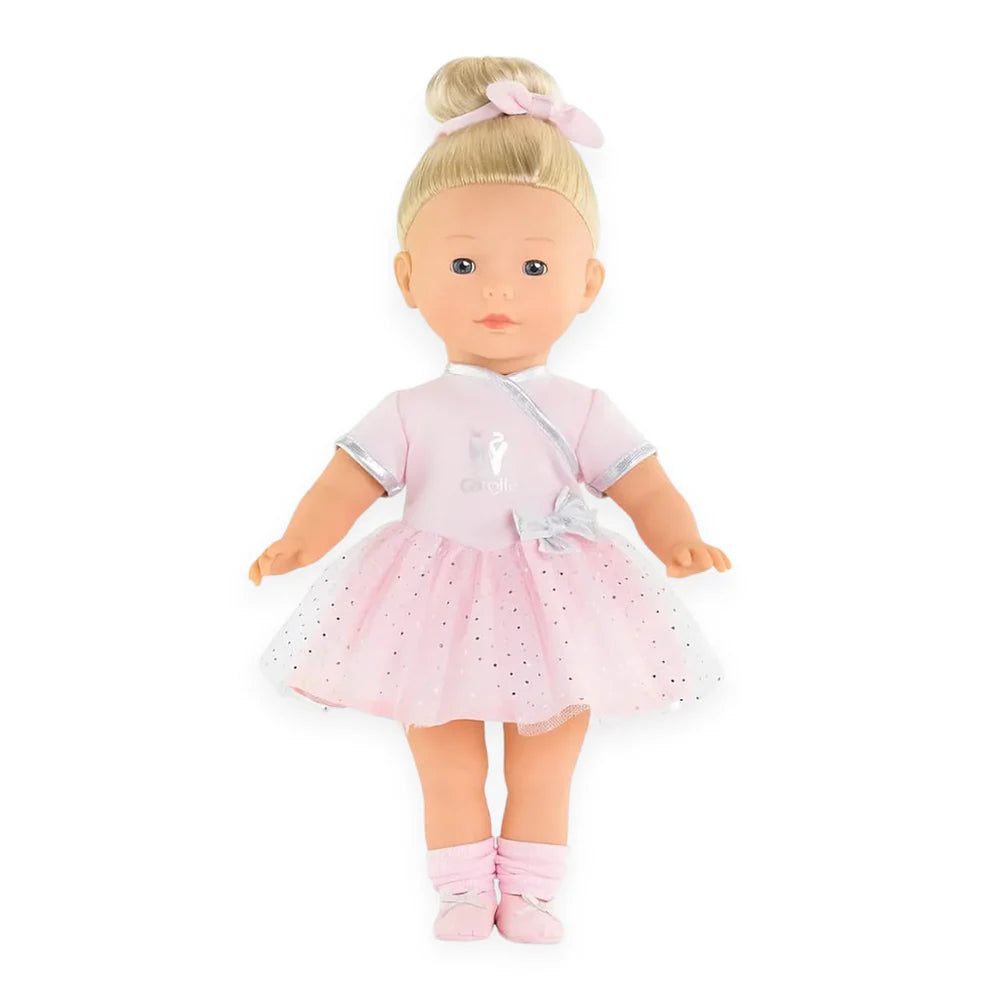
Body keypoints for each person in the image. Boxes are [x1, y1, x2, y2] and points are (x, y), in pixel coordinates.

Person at [249, 56, 731, 945]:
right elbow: (346, 481)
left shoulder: (583, 407)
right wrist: (300, 538)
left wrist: (679, 536)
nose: (499, 290)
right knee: (445, 759)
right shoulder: (410, 410)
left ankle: (534, 892)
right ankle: (463, 888)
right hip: (428, 604)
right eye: (464, 263)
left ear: (587, 285)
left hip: (557, 605)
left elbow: (643, 480)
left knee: (547, 761)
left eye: (535, 265)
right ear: (409, 279)